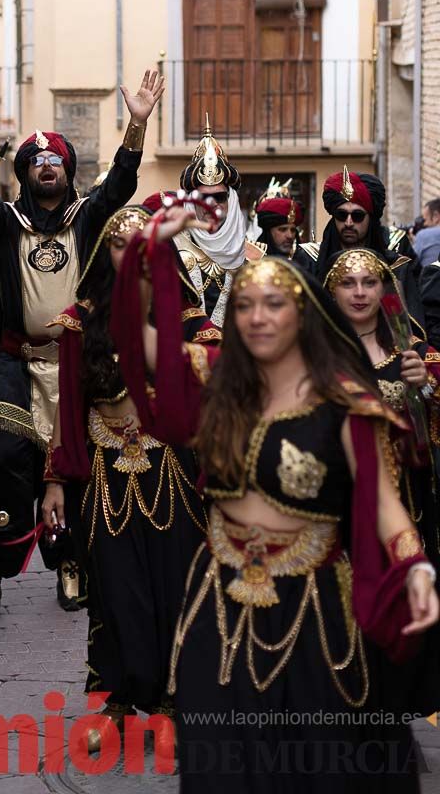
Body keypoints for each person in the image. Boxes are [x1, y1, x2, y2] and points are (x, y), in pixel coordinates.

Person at [111, 207, 439, 792]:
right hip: (219, 601)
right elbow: (136, 339)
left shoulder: (345, 403)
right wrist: (146, 258)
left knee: (312, 765)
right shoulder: (213, 380)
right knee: (222, 763)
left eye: (274, 304)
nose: (257, 318)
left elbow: (385, 503)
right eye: (244, 306)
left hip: (316, 611)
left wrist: (413, 566)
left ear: (304, 314)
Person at [0, 69, 163, 614]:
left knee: (75, 465)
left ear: (67, 171)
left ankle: (71, 562)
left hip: (74, 362)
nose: (47, 166)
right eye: (36, 162)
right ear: (25, 174)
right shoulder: (5, 223)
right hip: (15, 363)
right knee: (4, 460)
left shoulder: (87, 218)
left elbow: (119, 187)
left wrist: (136, 125)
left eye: (55, 161)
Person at [41, 205, 206, 749]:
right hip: (106, 476)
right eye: (119, 244)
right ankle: (113, 700)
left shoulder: (189, 322)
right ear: (105, 255)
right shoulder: (78, 322)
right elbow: (68, 409)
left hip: (172, 474)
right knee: (114, 591)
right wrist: (57, 481)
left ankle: (172, 701)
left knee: (173, 586)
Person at [324, 248, 440, 598]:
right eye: (348, 283)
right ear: (331, 291)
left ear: (384, 289)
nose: (359, 293)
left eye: (369, 283)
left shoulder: (413, 351)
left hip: (407, 497)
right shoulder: (316, 353)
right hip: (341, 498)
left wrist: (427, 387)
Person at [295, 167, 425, 329]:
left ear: (370, 219)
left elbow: (403, 332)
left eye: (357, 216)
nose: (348, 223)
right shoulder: (310, 261)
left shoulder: (395, 268)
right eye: (341, 215)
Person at [174, 114, 264, 327]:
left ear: (231, 201)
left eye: (219, 197)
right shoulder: (172, 252)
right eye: (204, 197)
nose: (212, 205)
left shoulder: (255, 259)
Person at [249, 177, 305, 259]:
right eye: (282, 229)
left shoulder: (305, 263)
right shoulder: (251, 264)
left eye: (293, 230)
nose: (290, 236)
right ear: (268, 232)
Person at [414, 199, 440, 266]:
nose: (424, 224)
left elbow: (412, 264)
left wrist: (415, 241)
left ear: (436, 216)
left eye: (425, 220)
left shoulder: (424, 235)